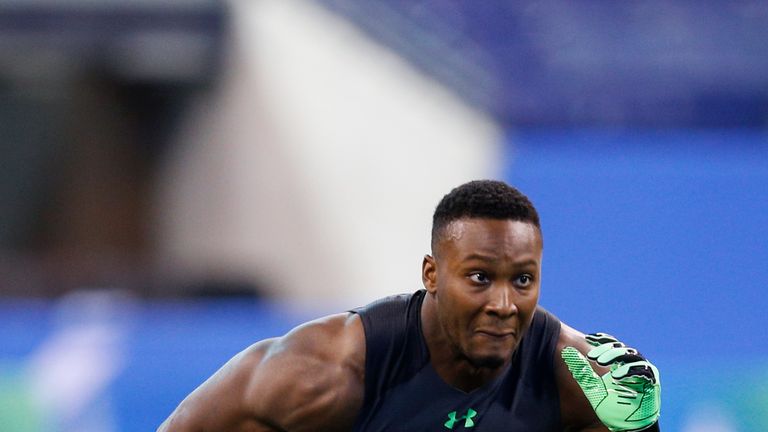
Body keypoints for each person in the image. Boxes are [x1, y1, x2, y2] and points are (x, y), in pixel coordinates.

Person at [158, 180, 661, 431]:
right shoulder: (325, 369)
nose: (504, 305)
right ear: (432, 275)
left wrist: (643, 427)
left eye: (523, 280)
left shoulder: (584, 381)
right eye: (480, 278)